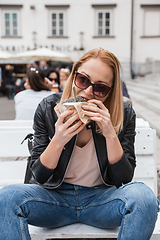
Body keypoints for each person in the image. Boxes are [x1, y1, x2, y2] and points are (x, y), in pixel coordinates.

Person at [0, 49, 159, 240]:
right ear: (74, 75)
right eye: (83, 80)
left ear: (110, 91)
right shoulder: (48, 108)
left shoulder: (124, 115)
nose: (88, 92)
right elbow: (40, 177)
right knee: (6, 198)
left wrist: (109, 133)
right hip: (54, 200)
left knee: (145, 198)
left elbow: (123, 179)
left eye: (100, 88)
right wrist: (58, 140)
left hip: (102, 201)